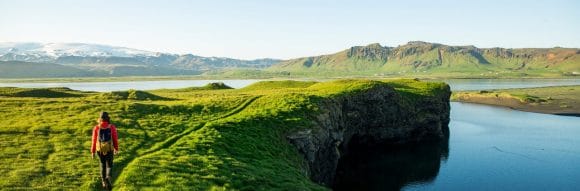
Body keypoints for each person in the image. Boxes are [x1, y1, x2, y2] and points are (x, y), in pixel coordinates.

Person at [91, 112, 119, 189]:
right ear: (108, 118)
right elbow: (115, 139)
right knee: (109, 164)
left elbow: (93, 140)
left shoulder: (96, 128)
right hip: (109, 148)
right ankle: (108, 177)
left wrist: (93, 151)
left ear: (100, 119)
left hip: (99, 149)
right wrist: (116, 148)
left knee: (102, 164)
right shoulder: (111, 127)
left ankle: (103, 182)